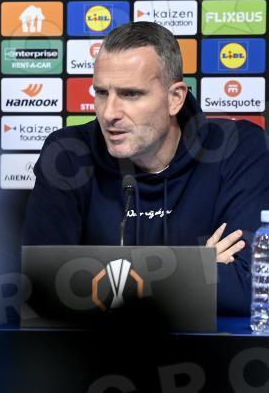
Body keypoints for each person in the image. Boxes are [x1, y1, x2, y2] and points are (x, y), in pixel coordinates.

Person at [22, 21, 269, 315]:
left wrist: (101, 278)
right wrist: (195, 268)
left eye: (130, 94)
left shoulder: (236, 147)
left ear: (175, 98)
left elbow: (249, 287)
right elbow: (42, 285)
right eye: (101, 93)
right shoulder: (68, 153)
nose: (109, 113)